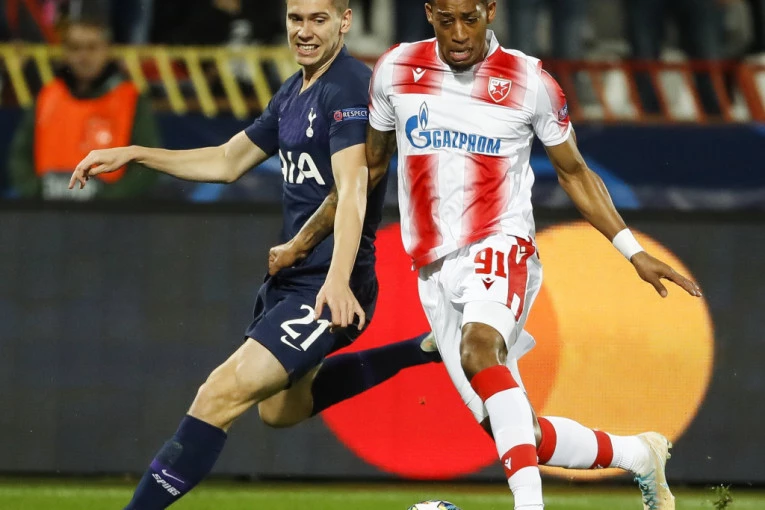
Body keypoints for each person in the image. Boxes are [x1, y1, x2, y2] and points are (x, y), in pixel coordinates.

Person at [270, 1, 704, 509]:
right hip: (433, 268)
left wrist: (632, 250)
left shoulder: (529, 81)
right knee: (514, 430)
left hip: (500, 242)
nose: (459, 33)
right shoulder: (395, 70)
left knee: (480, 351)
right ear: (429, 14)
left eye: (470, 19)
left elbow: (574, 172)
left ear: (490, 11)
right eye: (446, 20)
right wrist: (302, 241)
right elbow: (369, 171)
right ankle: (638, 454)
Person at [69, 0, 438, 507]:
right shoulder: (293, 92)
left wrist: (337, 278)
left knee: (218, 394)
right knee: (280, 411)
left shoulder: (350, 88)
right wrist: (135, 153)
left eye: (318, 20)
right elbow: (227, 161)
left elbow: (354, 187)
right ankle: (421, 350)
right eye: (295, 19)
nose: (304, 31)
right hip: (294, 279)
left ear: (345, 22)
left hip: (329, 281)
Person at [9, 16, 159, 200]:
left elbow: (147, 163)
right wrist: (35, 189)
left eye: (92, 47)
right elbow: (20, 155)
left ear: (107, 50)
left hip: (110, 210)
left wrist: (109, 197)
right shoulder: (47, 96)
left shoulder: (130, 98)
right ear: (64, 52)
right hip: (47, 207)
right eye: (75, 48)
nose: (83, 56)